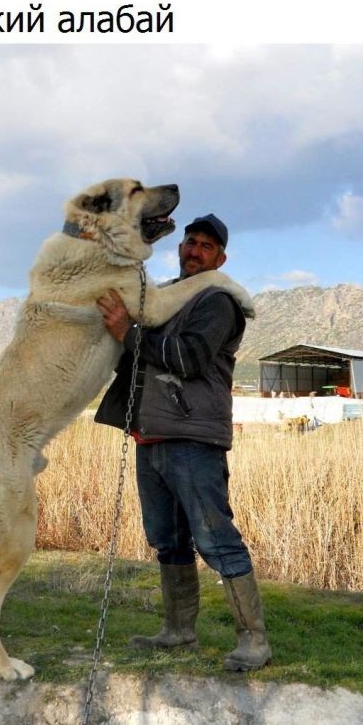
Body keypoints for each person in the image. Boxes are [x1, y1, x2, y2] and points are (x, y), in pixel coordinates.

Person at [95, 213, 271, 671]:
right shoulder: (168, 297)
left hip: (194, 439)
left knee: (216, 540)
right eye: (190, 242)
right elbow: (134, 354)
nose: (194, 249)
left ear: (221, 258)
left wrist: (129, 334)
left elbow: (188, 357)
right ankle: (178, 630)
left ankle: (254, 640)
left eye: (206, 246)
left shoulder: (216, 302)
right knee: (167, 540)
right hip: (150, 436)